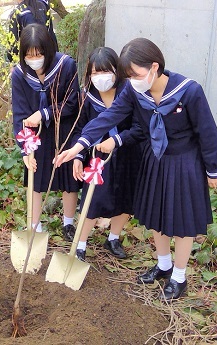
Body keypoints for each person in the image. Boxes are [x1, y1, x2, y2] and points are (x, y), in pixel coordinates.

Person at [55, 37, 217, 301]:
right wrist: (80, 146)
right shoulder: (136, 91)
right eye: (129, 75)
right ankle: (163, 264)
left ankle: (179, 277)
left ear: (154, 67)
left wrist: (212, 169)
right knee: (157, 215)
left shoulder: (188, 91)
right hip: (154, 160)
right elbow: (109, 117)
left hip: (184, 163)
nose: (132, 79)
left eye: (136, 73)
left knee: (181, 221)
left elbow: (207, 132)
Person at [71, 47, 142, 261]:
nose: (101, 78)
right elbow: (80, 128)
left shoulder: (129, 92)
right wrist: (78, 155)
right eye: (96, 73)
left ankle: (113, 237)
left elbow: (139, 126)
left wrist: (118, 140)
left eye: (106, 71)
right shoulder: (86, 97)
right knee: (92, 200)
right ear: (89, 74)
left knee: (126, 198)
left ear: (117, 71)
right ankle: (80, 246)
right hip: (98, 156)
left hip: (127, 153)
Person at [13, 24, 80, 241]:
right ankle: (34, 226)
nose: (35, 59)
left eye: (39, 54)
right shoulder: (20, 75)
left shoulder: (66, 65)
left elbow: (72, 103)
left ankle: (68, 223)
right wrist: (25, 149)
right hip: (36, 135)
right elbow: (20, 114)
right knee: (35, 174)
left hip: (64, 127)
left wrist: (44, 113)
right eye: (29, 55)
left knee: (68, 176)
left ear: (48, 50)